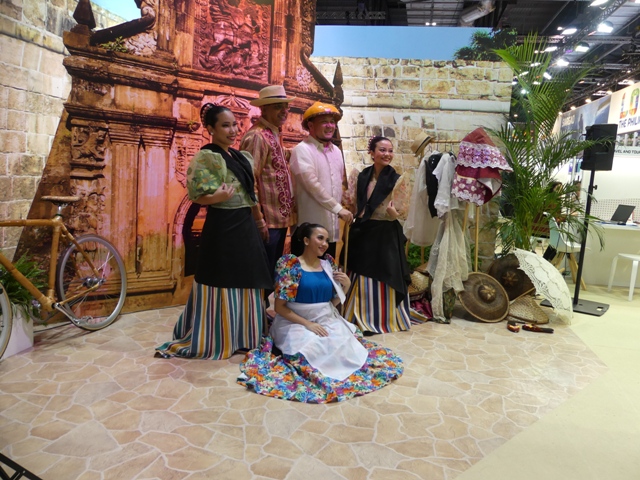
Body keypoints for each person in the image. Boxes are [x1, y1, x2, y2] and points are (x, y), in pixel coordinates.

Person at [238, 223, 404, 403]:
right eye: (320, 238)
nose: (325, 244)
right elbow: (279, 308)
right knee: (313, 347)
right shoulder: (290, 265)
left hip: (326, 318)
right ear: (306, 240)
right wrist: (308, 324)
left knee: (342, 346)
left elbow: (330, 304)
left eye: (326, 240)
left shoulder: (328, 264)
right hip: (294, 321)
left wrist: (346, 287)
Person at [156, 104, 273, 360]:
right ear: (211, 129)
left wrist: (259, 221)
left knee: (248, 276)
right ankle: (220, 334)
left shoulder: (241, 157)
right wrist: (216, 197)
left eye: (234, 125)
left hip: (245, 225)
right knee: (222, 277)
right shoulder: (207, 157)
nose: (233, 130)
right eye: (225, 125)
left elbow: (251, 194)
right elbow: (197, 195)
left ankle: (246, 335)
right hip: (223, 226)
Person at [342, 136, 412, 334]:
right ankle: (357, 314)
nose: (387, 154)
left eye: (390, 150)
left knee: (384, 273)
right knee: (360, 272)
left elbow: (402, 212)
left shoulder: (397, 180)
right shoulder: (361, 176)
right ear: (371, 153)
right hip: (363, 231)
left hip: (385, 233)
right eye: (382, 150)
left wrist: (394, 214)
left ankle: (382, 317)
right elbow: (351, 203)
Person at [240, 85, 297, 277]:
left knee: (271, 271)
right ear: (264, 109)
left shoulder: (272, 133)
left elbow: (278, 159)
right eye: (277, 106)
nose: (284, 111)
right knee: (263, 273)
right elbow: (249, 180)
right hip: (267, 221)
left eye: (285, 106)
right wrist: (258, 220)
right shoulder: (257, 136)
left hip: (277, 220)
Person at [290, 102, 353, 258]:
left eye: (332, 122)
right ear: (310, 125)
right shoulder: (302, 150)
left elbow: (338, 185)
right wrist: (338, 209)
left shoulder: (336, 151)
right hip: (308, 231)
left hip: (330, 231)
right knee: (305, 271)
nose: (330, 126)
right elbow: (312, 186)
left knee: (327, 268)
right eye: (324, 122)